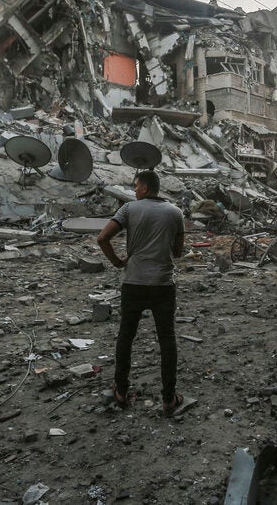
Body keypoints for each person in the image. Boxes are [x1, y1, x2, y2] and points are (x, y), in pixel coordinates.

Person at [97, 170, 186, 416]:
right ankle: (169, 399)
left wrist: (117, 261)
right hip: (162, 284)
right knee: (167, 340)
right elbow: (178, 252)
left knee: (126, 336)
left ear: (145, 188)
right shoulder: (176, 212)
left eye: (136, 186)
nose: (134, 190)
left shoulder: (128, 210)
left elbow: (103, 238)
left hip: (133, 283)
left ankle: (121, 391)